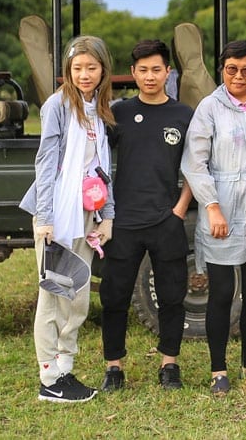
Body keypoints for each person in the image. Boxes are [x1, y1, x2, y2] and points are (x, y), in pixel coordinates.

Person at [183, 40, 246, 396]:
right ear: (222, 69)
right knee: (222, 293)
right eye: (231, 69)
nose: (238, 76)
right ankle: (218, 370)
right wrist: (211, 206)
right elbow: (195, 162)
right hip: (223, 208)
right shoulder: (209, 108)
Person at [20, 35, 117, 403]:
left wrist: (106, 216)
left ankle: (65, 370)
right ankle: (48, 377)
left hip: (87, 214)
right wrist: (44, 217)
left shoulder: (101, 108)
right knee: (53, 294)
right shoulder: (57, 105)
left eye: (91, 67)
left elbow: (103, 166)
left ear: (103, 69)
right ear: (68, 71)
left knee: (76, 297)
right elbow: (45, 163)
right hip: (58, 215)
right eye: (77, 68)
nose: (84, 75)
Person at [99, 40, 193, 392]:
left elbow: (197, 166)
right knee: (114, 296)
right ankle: (114, 367)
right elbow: (94, 156)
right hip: (123, 220)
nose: (150, 76)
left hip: (166, 220)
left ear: (168, 72)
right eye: (143, 70)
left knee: (171, 295)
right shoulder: (118, 112)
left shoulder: (183, 115)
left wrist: (180, 209)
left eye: (157, 69)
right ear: (133, 73)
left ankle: (170, 364)